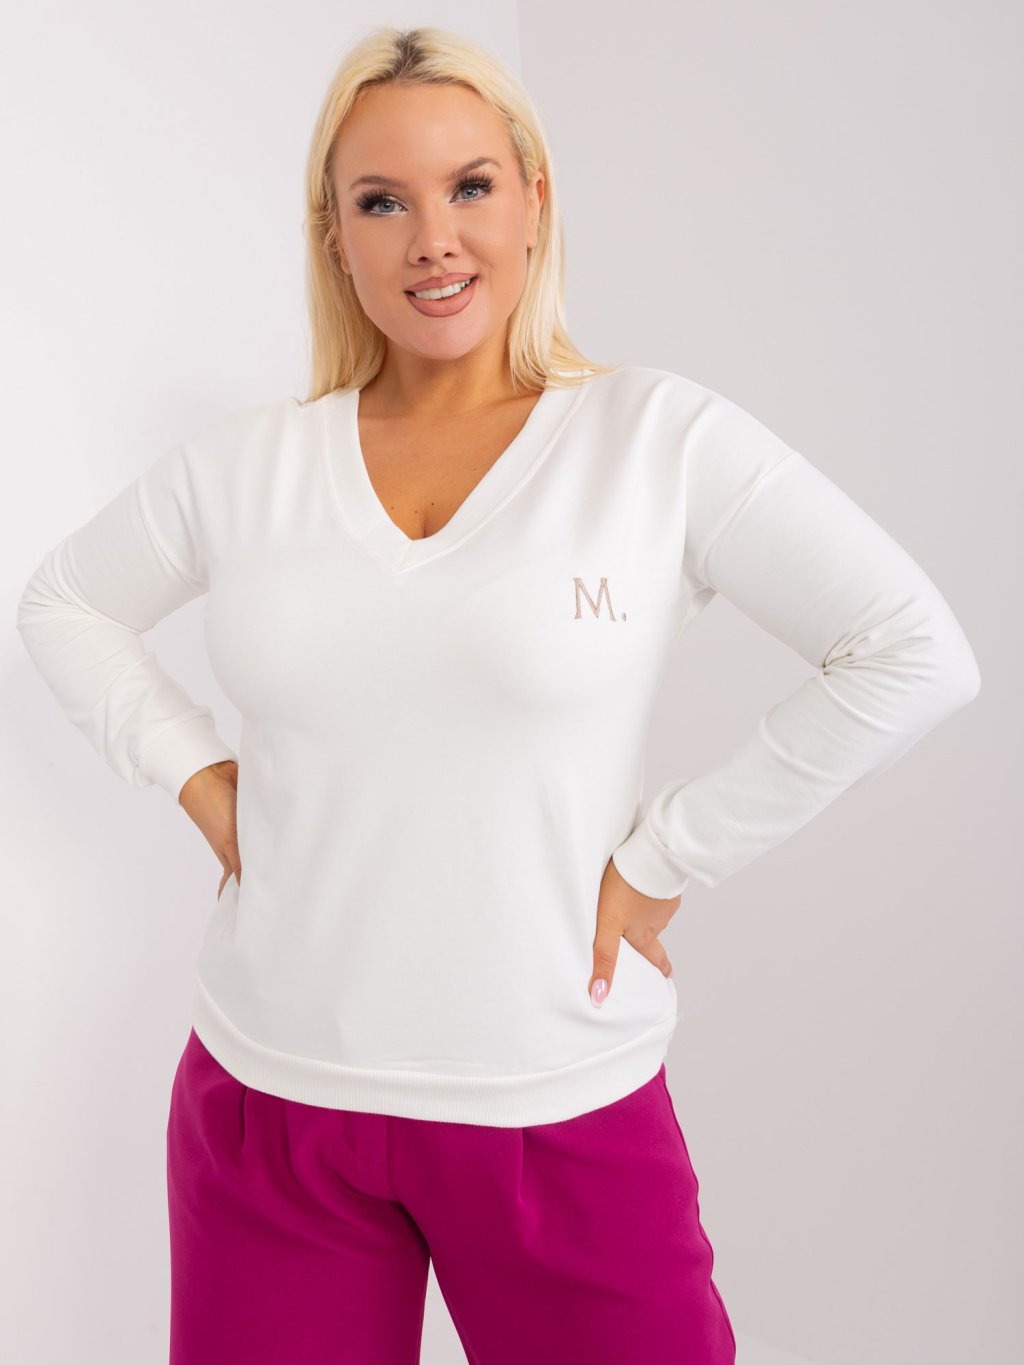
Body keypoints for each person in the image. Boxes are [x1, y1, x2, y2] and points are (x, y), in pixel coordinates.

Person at [15, 24, 980, 1365]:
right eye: (382, 201)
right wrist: (199, 775)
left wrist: (667, 855)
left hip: (555, 1099)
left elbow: (912, 648)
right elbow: (62, 602)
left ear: (534, 197)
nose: (434, 240)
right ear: (334, 235)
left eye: (470, 186)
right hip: (271, 1100)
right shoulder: (244, 469)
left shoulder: (656, 440)